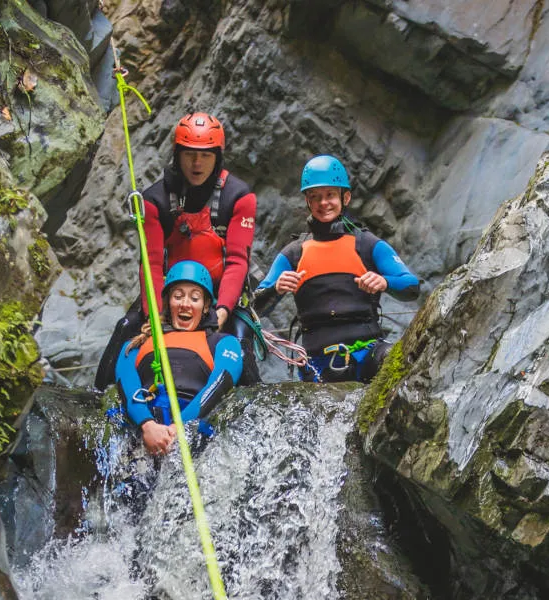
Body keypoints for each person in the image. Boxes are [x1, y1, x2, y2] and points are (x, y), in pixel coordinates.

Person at [95, 112, 259, 391]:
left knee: (241, 340)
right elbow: (152, 263)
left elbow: (237, 261)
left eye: (205, 155)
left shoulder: (239, 197)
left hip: (220, 294)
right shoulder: (155, 200)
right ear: (177, 155)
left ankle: (254, 401)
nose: (197, 163)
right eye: (189, 155)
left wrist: (221, 311)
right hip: (171, 294)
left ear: (217, 157)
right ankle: (98, 395)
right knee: (126, 327)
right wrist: (154, 315)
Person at [252, 155, 420, 383]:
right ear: (308, 202)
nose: (323, 203)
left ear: (345, 197)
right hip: (317, 361)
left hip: (368, 353)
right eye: (315, 197)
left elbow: (411, 286)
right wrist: (276, 289)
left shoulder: (367, 245)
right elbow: (254, 309)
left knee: (396, 360)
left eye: (330, 195)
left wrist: (385, 282)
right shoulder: (293, 253)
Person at [114, 260, 244, 456]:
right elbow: (127, 385)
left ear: (206, 306)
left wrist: (178, 428)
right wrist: (148, 426)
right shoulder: (135, 345)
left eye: (195, 298)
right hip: (145, 433)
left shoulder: (224, 343)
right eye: (178, 296)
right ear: (168, 303)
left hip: (195, 433)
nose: (185, 304)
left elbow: (219, 385)